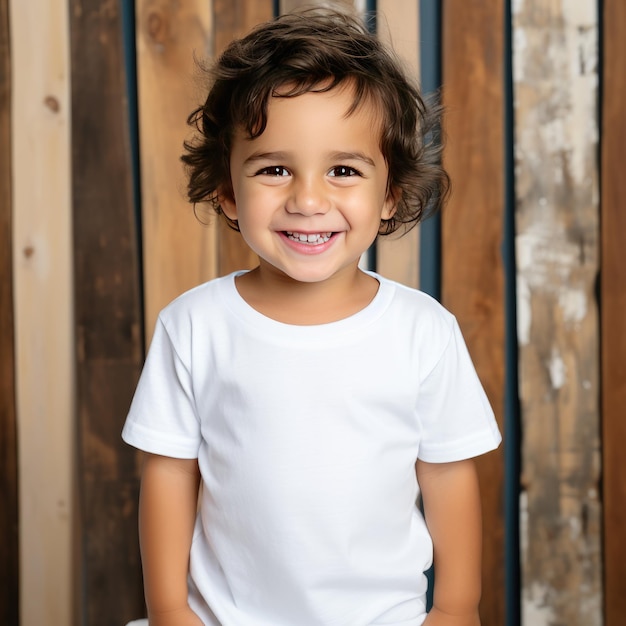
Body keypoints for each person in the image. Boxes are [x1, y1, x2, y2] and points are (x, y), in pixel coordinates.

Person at [122, 8, 501, 626]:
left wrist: (457, 606)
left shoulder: (422, 331)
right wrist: (169, 609)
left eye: (344, 170)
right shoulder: (194, 325)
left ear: (390, 196)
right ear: (226, 191)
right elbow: (168, 472)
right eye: (274, 169)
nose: (307, 199)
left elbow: (448, 474)